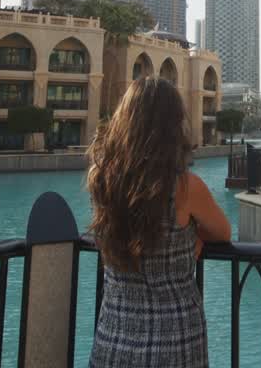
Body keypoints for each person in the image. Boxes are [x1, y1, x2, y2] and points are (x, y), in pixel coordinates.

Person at [86, 77, 231, 367]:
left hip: (114, 339)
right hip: (177, 342)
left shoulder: (103, 181)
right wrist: (193, 236)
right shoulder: (185, 187)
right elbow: (222, 232)